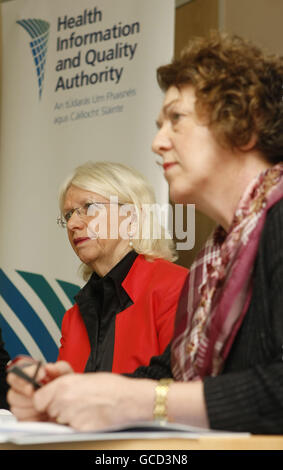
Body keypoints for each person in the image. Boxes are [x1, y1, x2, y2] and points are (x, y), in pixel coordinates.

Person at [7, 32, 283, 433]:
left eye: (176, 119)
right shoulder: (216, 263)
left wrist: (140, 401)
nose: (157, 143)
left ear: (244, 125)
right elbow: (165, 376)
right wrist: (68, 397)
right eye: (158, 125)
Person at [55, 161, 188, 374]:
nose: (72, 225)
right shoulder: (74, 316)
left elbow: (181, 384)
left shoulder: (176, 286)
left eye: (89, 207)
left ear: (132, 217)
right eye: (69, 215)